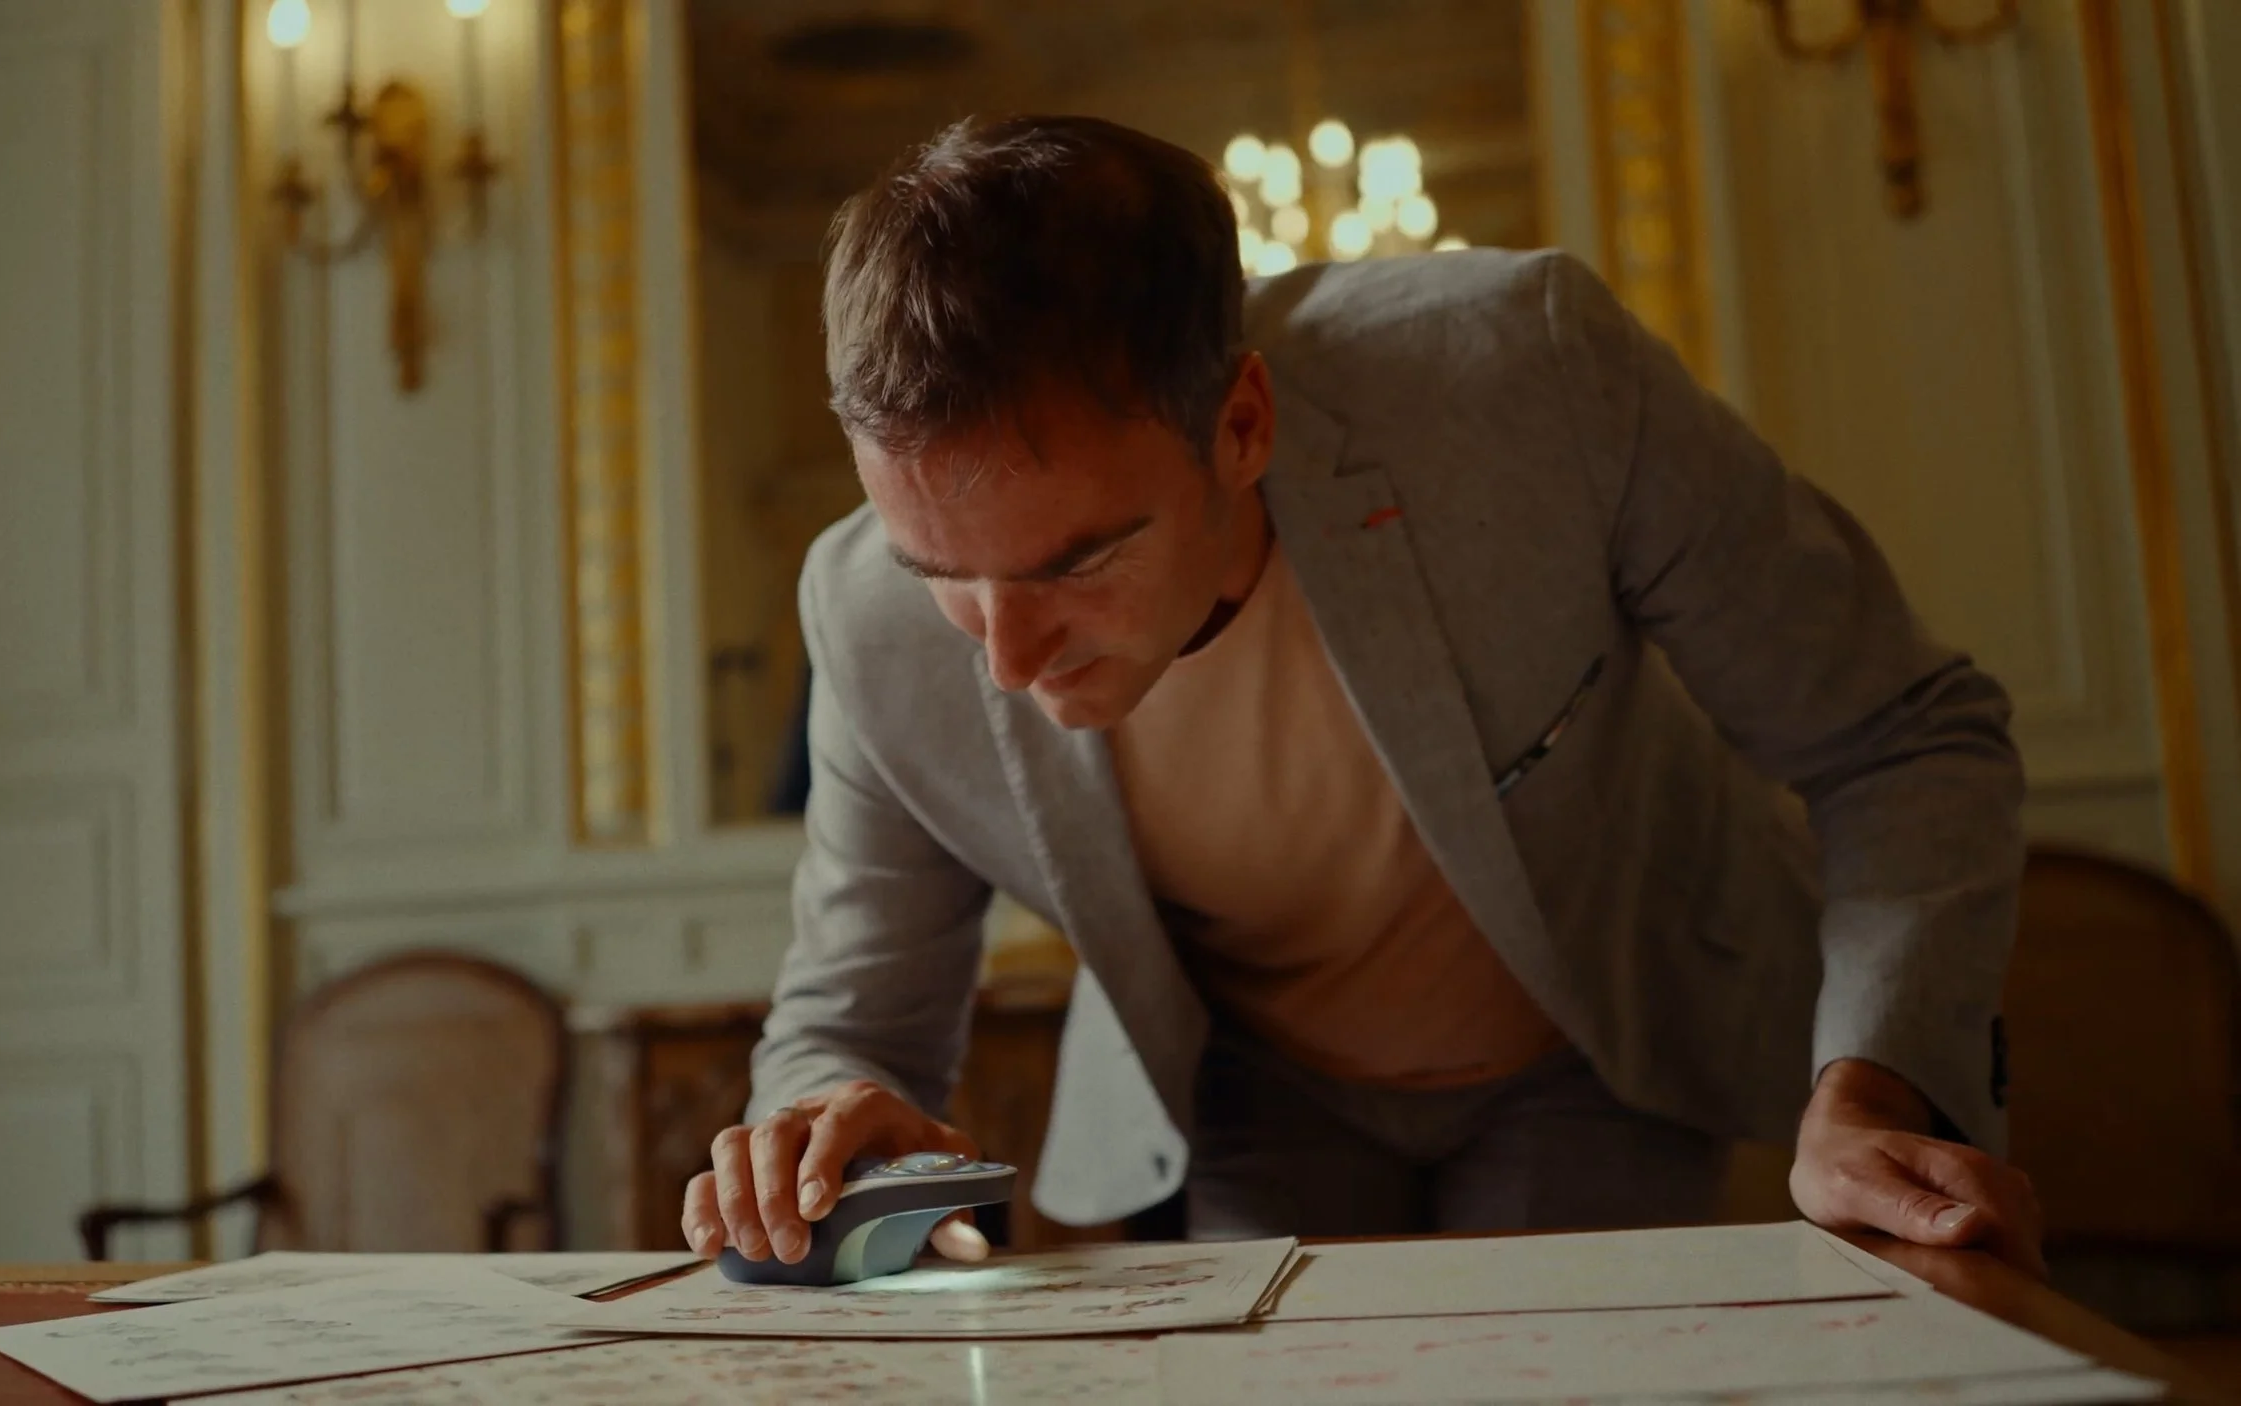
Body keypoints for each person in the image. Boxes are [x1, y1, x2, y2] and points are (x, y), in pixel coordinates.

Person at [682, 114, 2044, 1278]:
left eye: (1081, 559)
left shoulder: (1530, 385)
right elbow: (853, 1021)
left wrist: (1879, 1082)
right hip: (1248, 1094)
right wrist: (821, 1124)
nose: (1007, 661)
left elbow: (1899, 735)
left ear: (1244, 424)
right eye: (942, 574)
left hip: (1589, 1042)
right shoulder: (861, 610)